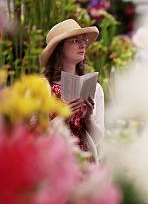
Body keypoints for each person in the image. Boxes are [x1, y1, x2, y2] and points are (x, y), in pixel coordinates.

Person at [40, 19, 104, 161]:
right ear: (59, 49)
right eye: (75, 41)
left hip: (85, 163)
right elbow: (34, 134)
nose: (83, 45)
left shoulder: (94, 88)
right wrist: (62, 117)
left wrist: (88, 119)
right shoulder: (42, 87)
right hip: (54, 163)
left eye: (83, 40)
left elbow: (98, 139)